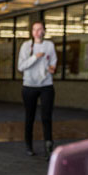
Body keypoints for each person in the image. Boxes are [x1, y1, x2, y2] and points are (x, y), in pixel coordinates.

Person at [17, 21, 57, 159]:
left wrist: (52, 68)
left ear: (44, 31)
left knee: (46, 117)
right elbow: (21, 67)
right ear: (32, 32)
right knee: (30, 117)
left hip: (46, 85)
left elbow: (53, 63)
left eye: (40, 29)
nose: (37, 31)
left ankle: (48, 146)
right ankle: (29, 145)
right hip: (29, 87)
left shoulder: (49, 45)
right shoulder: (26, 46)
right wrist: (35, 57)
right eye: (34, 29)